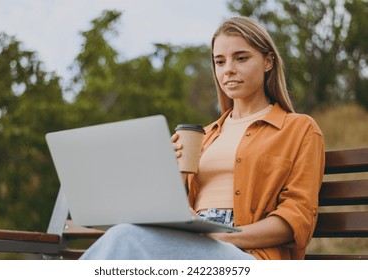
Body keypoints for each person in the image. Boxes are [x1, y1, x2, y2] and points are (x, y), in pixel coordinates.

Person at [80, 16, 325, 260]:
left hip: (248, 253)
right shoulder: (204, 137)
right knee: (127, 235)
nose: (228, 68)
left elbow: (297, 217)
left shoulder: (299, 129)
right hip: (193, 241)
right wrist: (169, 176)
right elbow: (176, 208)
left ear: (268, 61)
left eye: (241, 58)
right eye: (220, 61)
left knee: (125, 238)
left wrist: (222, 236)